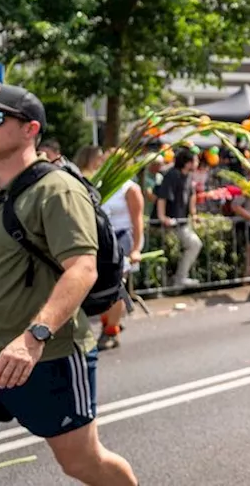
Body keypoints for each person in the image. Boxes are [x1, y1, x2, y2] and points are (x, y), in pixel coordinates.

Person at [0, 85, 137, 484]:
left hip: (47, 358)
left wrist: (34, 336)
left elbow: (82, 268)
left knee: (83, 464)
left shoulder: (57, 190)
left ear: (30, 130)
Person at [75, 147, 144, 351]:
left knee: (116, 286)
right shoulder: (101, 184)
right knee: (102, 284)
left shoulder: (130, 188)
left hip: (122, 240)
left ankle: (111, 331)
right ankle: (110, 322)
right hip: (103, 239)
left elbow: (137, 221)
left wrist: (136, 249)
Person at [155, 150, 202, 287]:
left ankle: (180, 278)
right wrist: (162, 217)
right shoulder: (172, 175)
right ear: (188, 163)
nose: (197, 163)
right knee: (194, 244)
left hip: (181, 221)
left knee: (194, 245)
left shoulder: (188, 176)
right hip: (172, 222)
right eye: (195, 160)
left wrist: (194, 214)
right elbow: (162, 197)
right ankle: (179, 278)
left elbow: (191, 196)